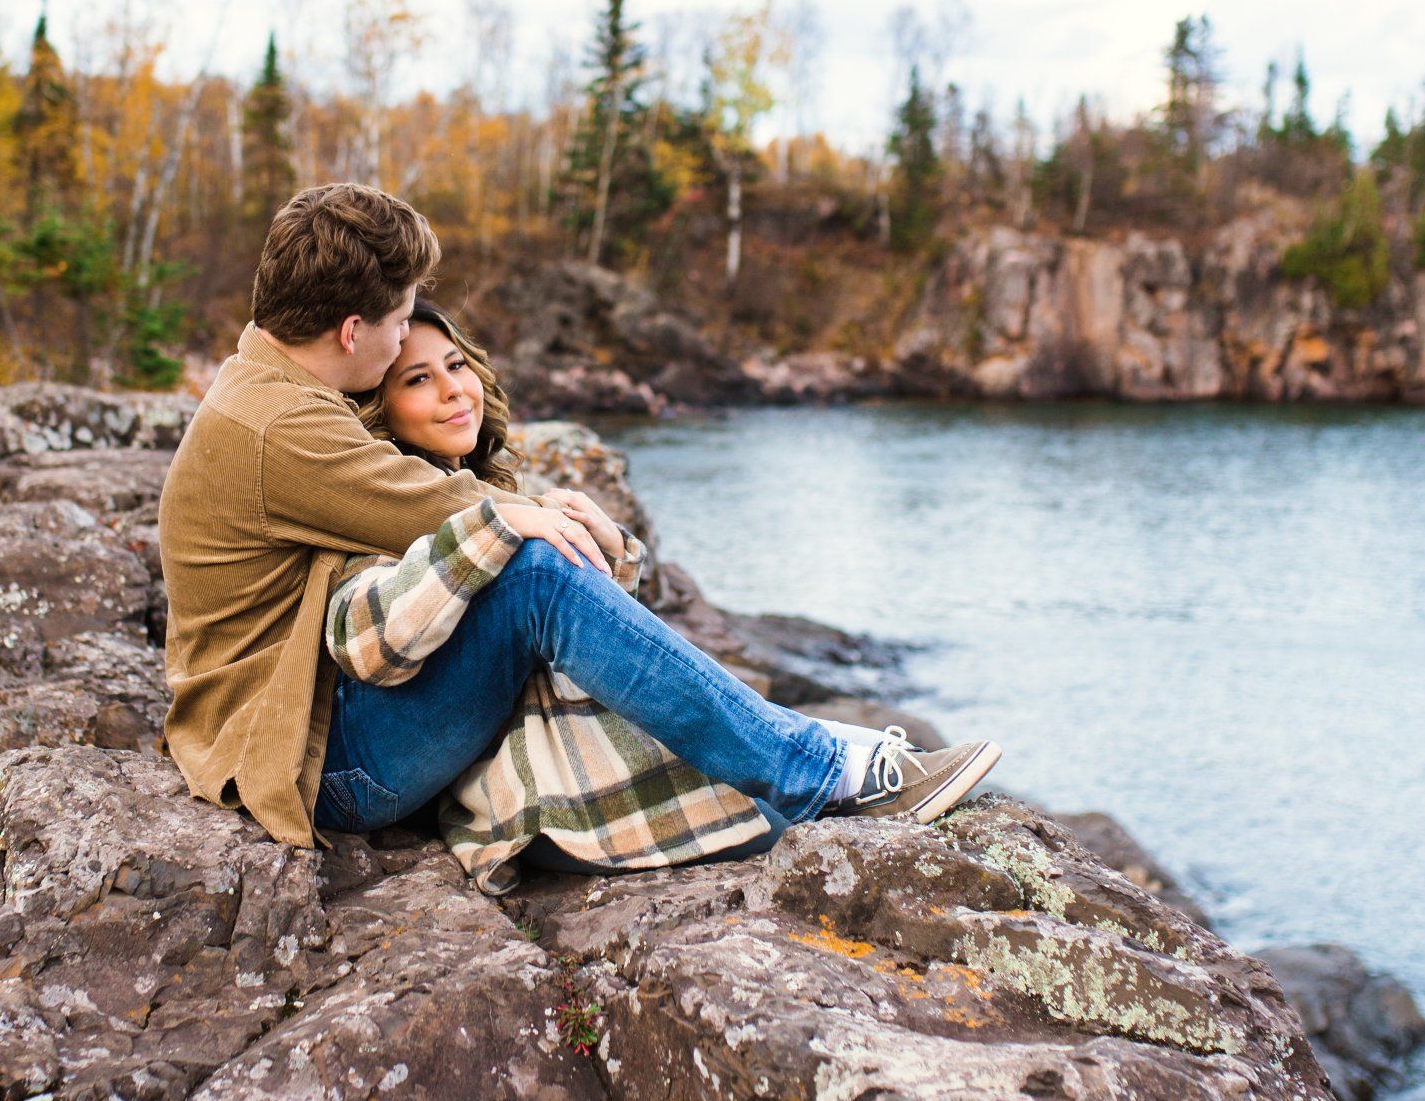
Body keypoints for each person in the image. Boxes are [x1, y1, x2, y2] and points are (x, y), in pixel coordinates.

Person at [160, 182, 1000, 860]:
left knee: (535, 577)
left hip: (324, 718)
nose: (408, 351)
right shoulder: (280, 426)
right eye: (398, 322)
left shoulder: (269, 389)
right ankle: (820, 772)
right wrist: (532, 512)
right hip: (314, 762)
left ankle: (789, 777)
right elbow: (439, 505)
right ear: (351, 331)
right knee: (530, 572)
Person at [321, 296, 999, 886]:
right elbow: (363, 641)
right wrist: (500, 531)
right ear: (379, 410)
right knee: (535, 569)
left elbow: (536, 643)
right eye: (418, 379)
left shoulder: (477, 491)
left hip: (450, 757)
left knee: (749, 810)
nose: (452, 390)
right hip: (360, 769)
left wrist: (604, 557)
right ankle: (824, 770)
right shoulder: (367, 493)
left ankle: (838, 770)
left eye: (457, 365)